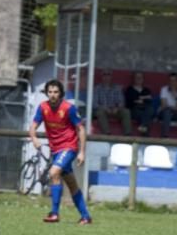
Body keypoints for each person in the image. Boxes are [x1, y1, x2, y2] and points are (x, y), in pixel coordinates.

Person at [28, 79, 92, 225]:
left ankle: (54, 213)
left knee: (53, 173)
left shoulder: (69, 108)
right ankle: (86, 216)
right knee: (71, 183)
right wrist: (34, 139)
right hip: (56, 150)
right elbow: (33, 126)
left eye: (56, 92)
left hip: (69, 147)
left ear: (61, 93)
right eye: (50, 92)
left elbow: (80, 129)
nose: (52, 95)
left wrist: (82, 152)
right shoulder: (43, 107)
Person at [93, 69, 131, 136]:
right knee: (99, 112)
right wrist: (105, 108)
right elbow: (94, 104)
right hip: (103, 110)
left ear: (111, 76)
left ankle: (128, 134)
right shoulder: (97, 88)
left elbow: (121, 101)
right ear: (102, 76)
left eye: (108, 74)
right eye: (104, 74)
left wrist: (117, 108)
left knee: (126, 111)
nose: (106, 76)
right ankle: (107, 133)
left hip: (115, 110)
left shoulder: (117, 88)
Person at [159, 73, 177, 138]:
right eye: (170, 80)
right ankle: (164, 136)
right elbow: (164, 105)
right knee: (167, 112)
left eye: (174, 80)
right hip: (165, 111)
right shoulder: (164, 89)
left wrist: (176, 97)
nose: (172, 83)